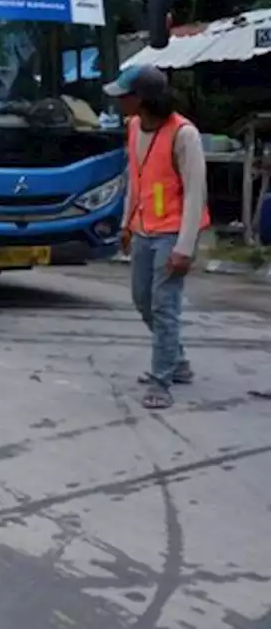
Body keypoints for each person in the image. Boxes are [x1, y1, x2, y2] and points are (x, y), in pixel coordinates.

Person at [105, 64, 210, 410]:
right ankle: (177, 361)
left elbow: (196, 193)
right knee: (142, 300)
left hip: (173, 231)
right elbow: (135, 178)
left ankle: (161, 379)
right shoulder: (134, 127)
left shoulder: (185, 135)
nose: (118, 101)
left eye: (124, 95)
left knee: (164, 306)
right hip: (143, 228)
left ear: (142, 99)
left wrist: (184, 247)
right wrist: (126, 222)